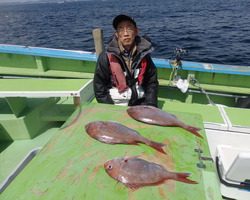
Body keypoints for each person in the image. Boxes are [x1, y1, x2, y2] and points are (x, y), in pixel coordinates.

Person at [94, 14, 158, 107]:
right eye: (121, 29)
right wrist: (110, 109)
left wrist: (150, 106)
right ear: (116, 34)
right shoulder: (105, 57)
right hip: (115, 104)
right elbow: (99, 89)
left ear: (136, 31)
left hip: (140, 103)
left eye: (129, 28)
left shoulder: (144, 55)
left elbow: (151, 83)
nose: (125, 33)